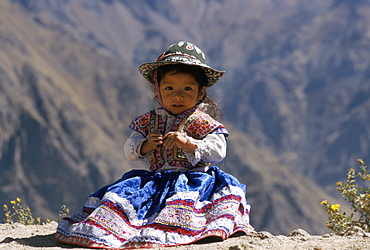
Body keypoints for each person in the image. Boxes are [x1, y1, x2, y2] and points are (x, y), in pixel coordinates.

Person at [55, 41, 253, 249]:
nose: (178, 95)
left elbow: (218, 151)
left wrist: (189, 143)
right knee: (123, 207)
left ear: (201, 92)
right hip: (155, 182)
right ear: (158, 90)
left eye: (187, 88)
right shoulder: (149, 122)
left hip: (195, 182)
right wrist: (145, 146)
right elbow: (129, 149)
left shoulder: (203, 123)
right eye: (169, 88)